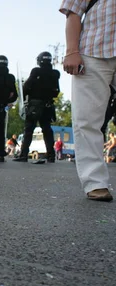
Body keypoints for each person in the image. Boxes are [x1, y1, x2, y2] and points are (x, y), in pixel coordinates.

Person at [61, 0, 115, 201]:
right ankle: (95, 182)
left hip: (96, 49)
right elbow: (73, 11)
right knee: (87, 120)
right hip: (93, 50)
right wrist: (72, 51)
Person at [13, 52, 60, 162]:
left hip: (35, 105)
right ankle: (51, 155)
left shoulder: (36, 71)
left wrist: (25, 97)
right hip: (48, 105)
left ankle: (24, 154)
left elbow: (26, 87)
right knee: (47, 130)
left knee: (29, 130)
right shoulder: (55, 74)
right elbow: (56, 92)